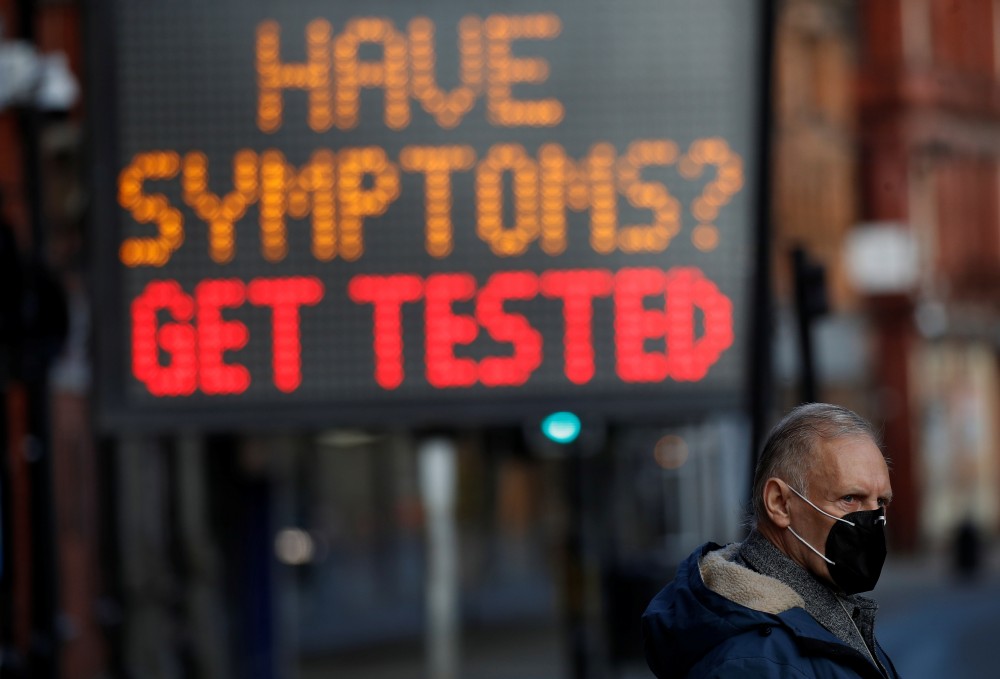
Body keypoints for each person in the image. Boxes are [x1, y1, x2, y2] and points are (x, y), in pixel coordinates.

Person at [642, 403, 900, 678]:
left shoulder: (827, 613)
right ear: (779, 503)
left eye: (881, 502)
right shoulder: (753, 662)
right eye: (849, 498)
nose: (874, 520)